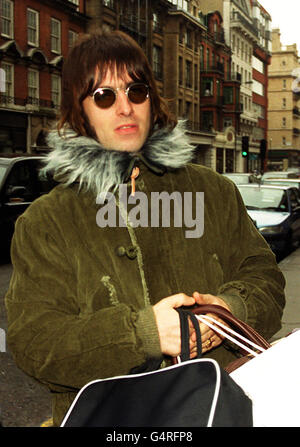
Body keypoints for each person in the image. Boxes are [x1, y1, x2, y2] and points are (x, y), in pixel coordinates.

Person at [5, 30, 285, 427]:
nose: (125, 108)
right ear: (80, 111)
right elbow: (34, 342)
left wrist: (231, 309)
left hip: (219, 410)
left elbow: (266, 278)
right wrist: (143, 334)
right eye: (104, 96)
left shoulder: (213, 192)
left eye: (136, 92)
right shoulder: (46, 222)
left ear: (152, 100)